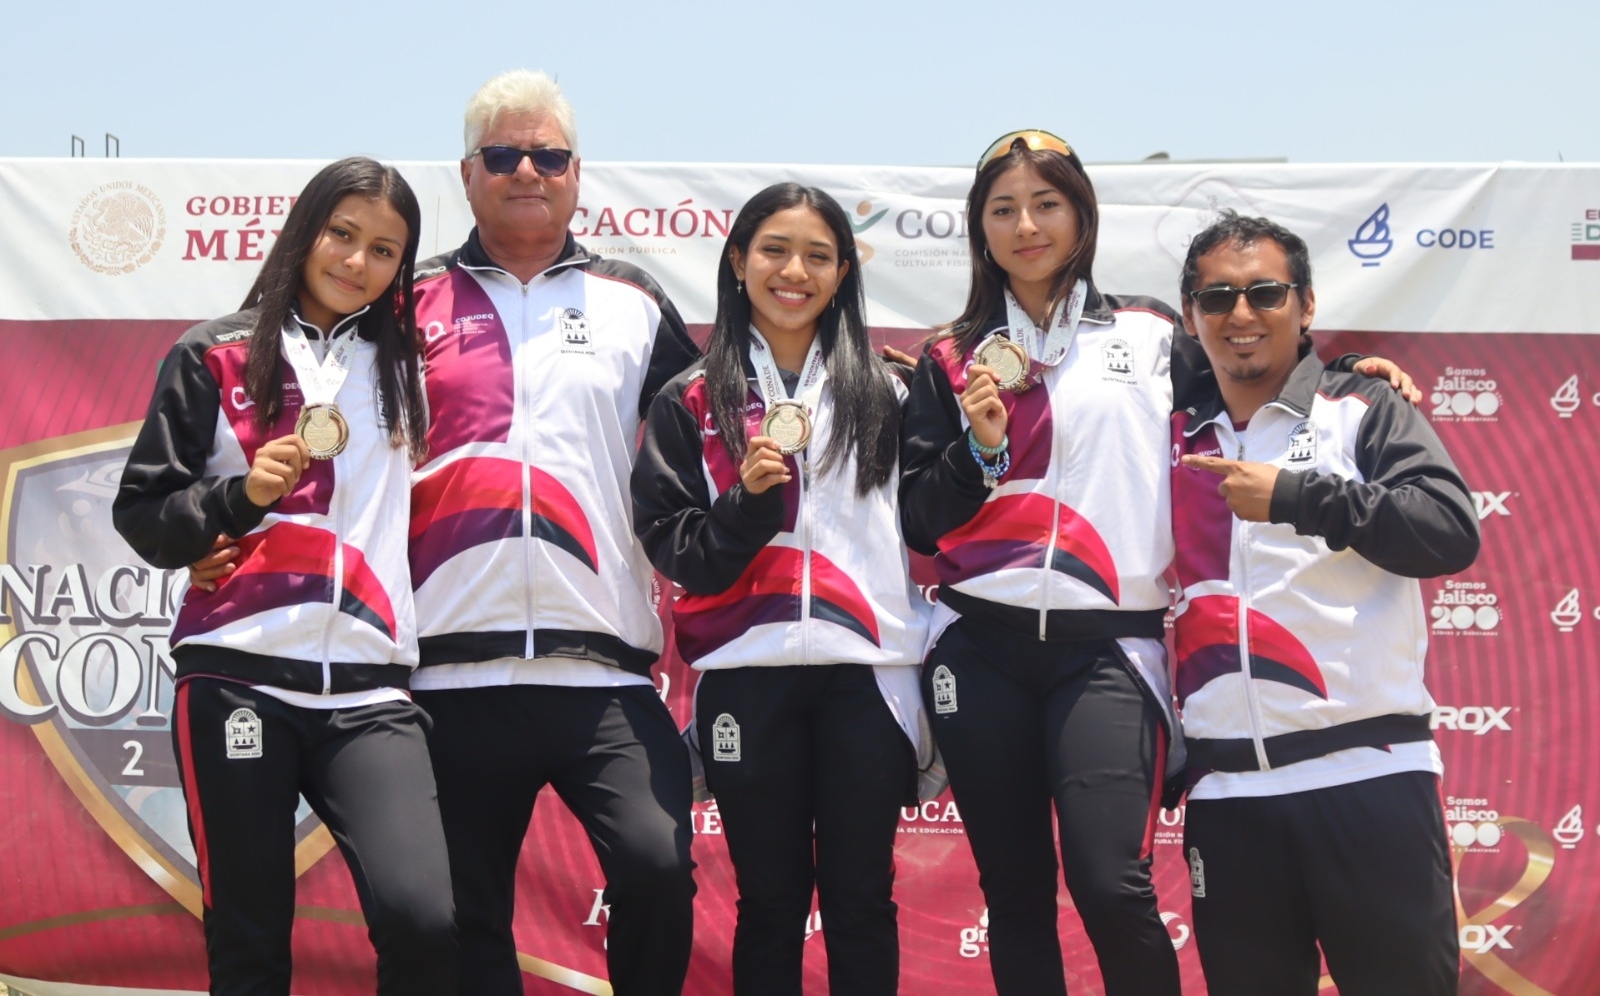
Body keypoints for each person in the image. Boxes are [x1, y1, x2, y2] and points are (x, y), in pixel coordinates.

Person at [898, 130, 1417, 996]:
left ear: (1082, 215)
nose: (1027, 225)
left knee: (1112, 882)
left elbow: (1257, 372)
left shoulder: (1152, 332)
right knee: (1016, 892)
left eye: (1047, 202)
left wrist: (1352, 373)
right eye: (1003, 209)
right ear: (978, 228)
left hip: (1109, 648)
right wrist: (979, 453)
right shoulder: (949, 356)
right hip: (977, 646)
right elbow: (921, 519)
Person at [113, 157, 455, 995]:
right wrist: (236, 498)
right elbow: (143, 512)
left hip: (369, 693)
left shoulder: (410, 367)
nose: (356, 261)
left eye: (383, 249)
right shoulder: (214, 353)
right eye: (342, 234)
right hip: (239, 674)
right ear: (305, 232)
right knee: (251, 936)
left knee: (425, 919)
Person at [396, 70, 699, 995]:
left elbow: (717, 441)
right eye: (503, 154)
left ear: (577, 173)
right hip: (448, 672)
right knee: (458, 917)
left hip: (601, 670)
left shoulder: (634, 303)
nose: (527, 169)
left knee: (656, 866)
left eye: (549, 154)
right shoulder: (402, 308)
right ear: (467, 172)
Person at [632, 182, 929, 995]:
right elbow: (675, 548)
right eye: (773, 249)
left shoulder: (892, 393)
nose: (793, 270)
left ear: (842, 273)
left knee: (861, 898)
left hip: (866, 677)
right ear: (737, 261)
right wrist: (745, 509)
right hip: (745, 681)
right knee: (769, 901)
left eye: (818, 255)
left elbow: (935, 528)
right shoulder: (690, 397)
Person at [1172, 211, 1476, 995]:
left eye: (1266, 292)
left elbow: (1448, 532)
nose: (1241, 315)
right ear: (1191, 315)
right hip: (1229, 797)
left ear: (1306, 306)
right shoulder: (1166, 426)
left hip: (1367, 776)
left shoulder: (1364, 407)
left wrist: (1303, 497)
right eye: (1218, 298)